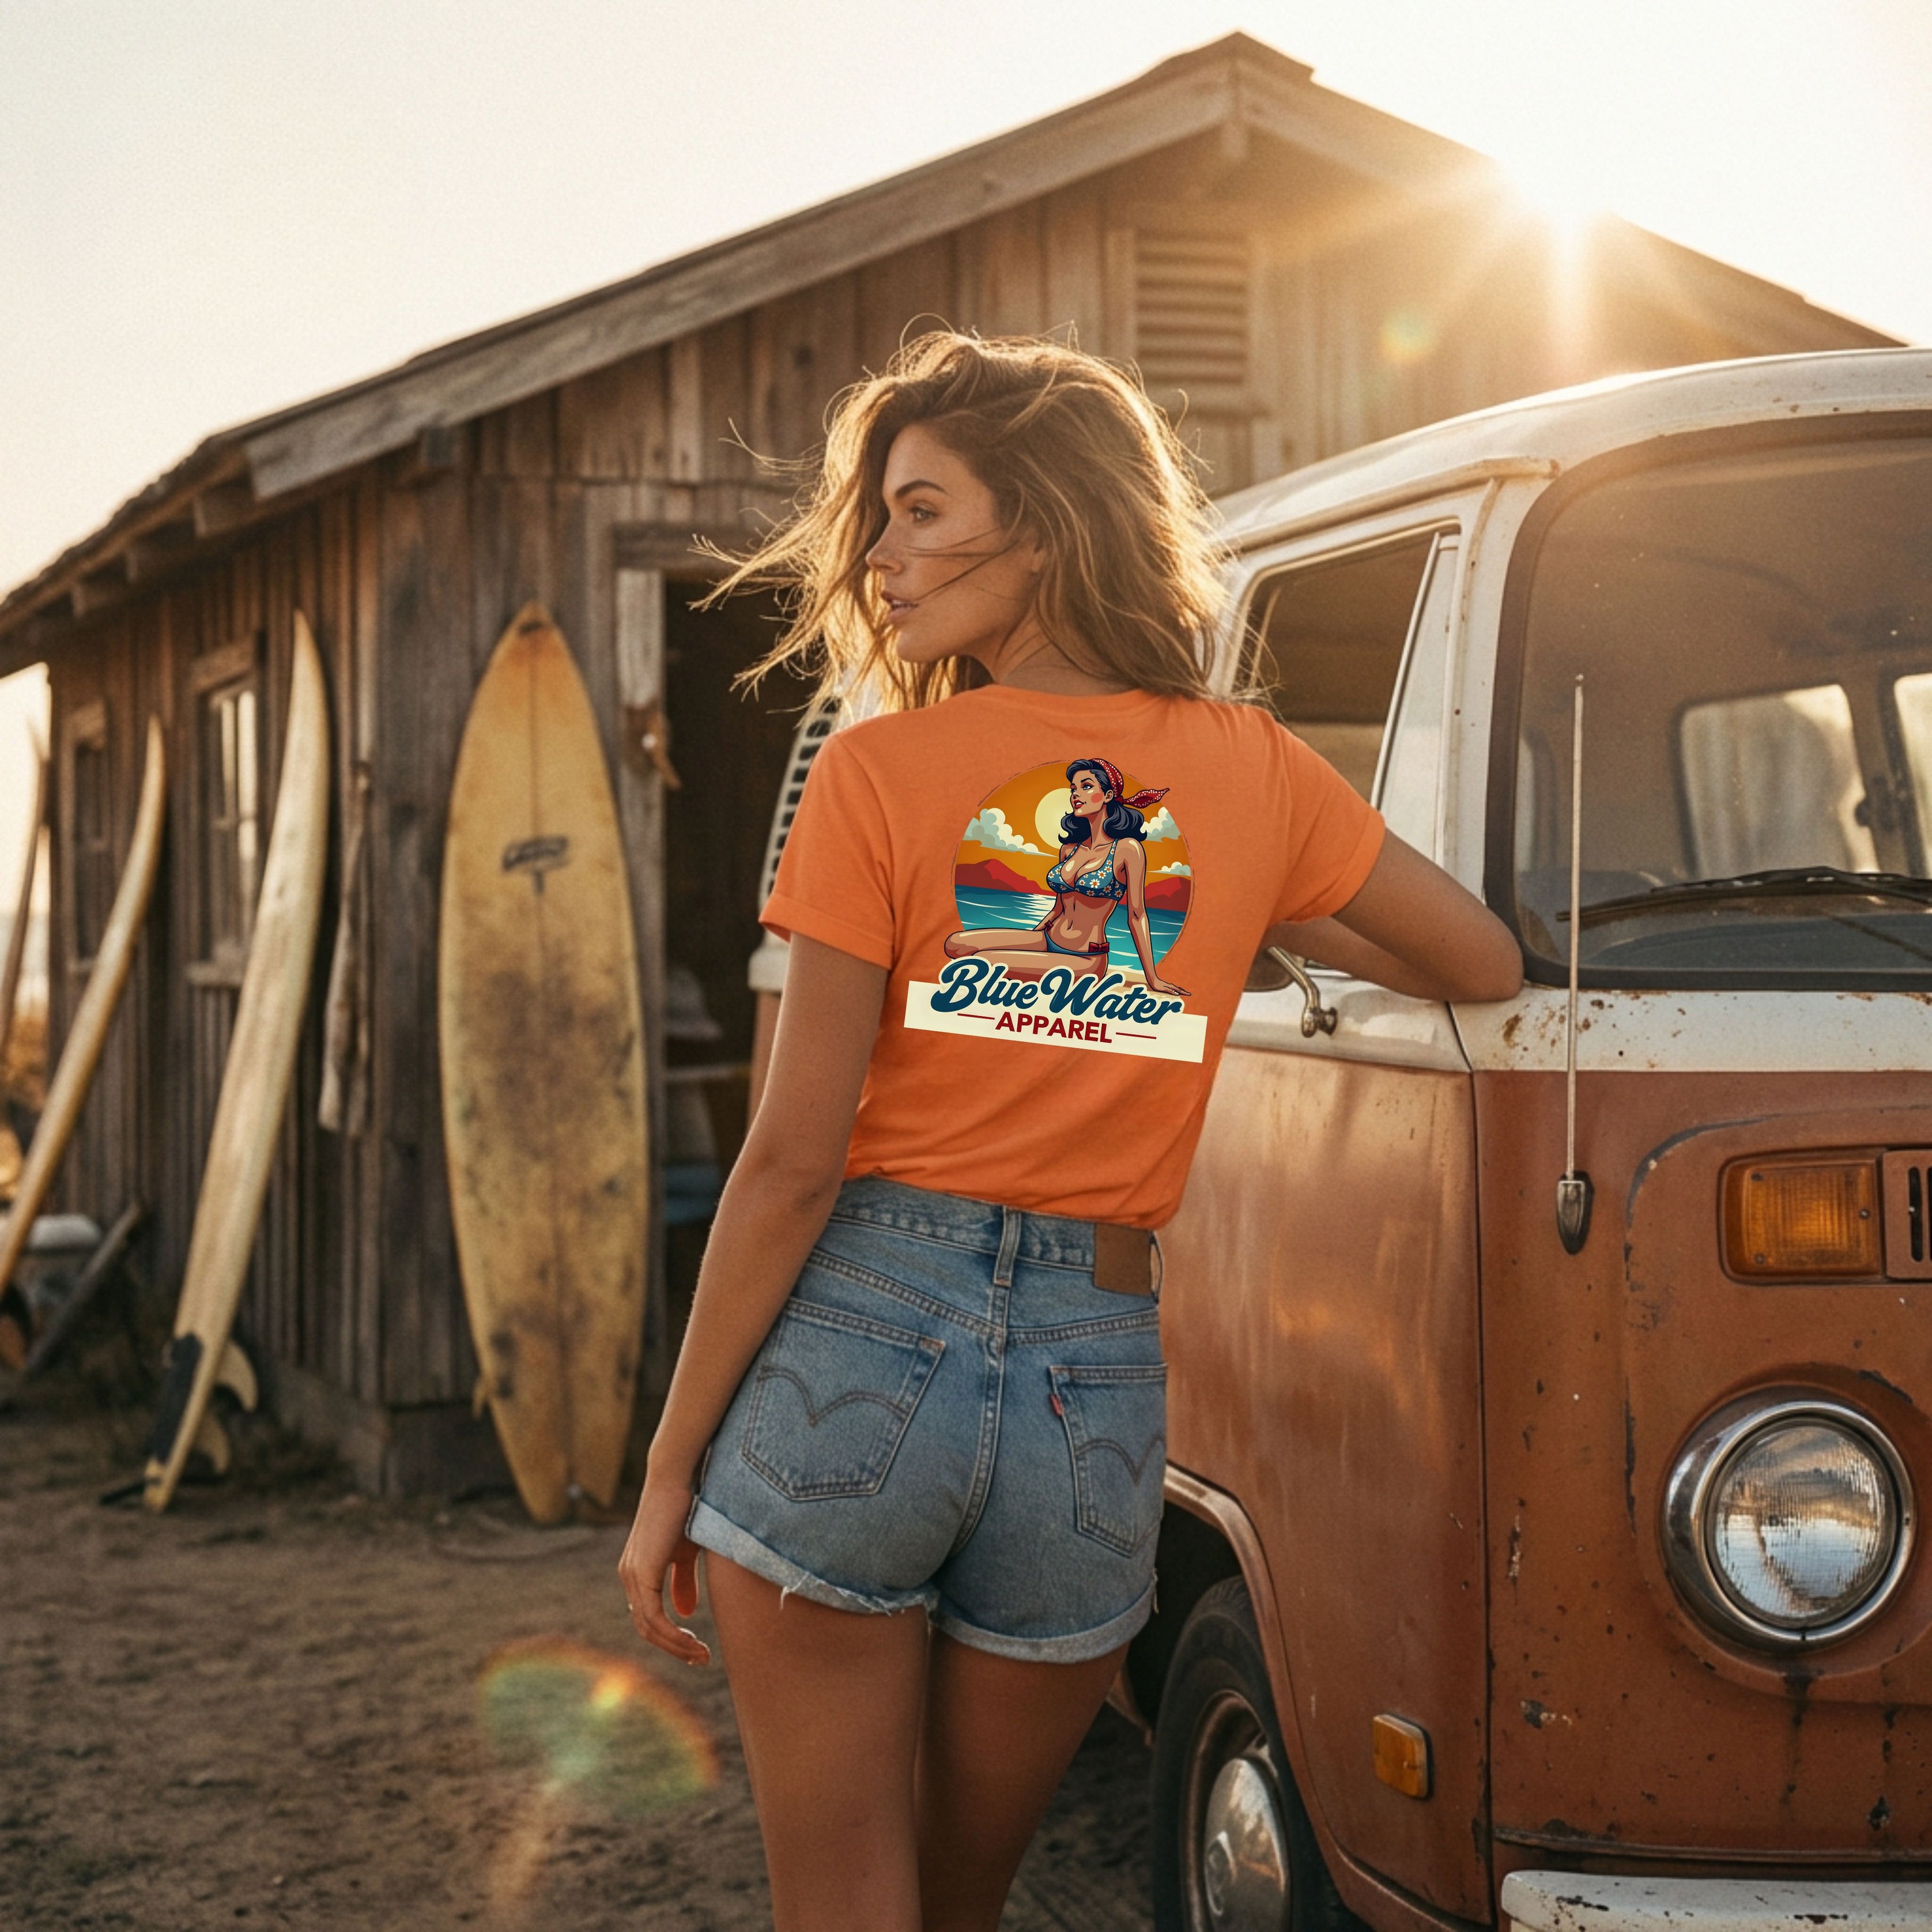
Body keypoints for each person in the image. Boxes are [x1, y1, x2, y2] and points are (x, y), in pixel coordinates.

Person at [618, 331, 1521, 1932]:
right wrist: (1246, 911)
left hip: (857, 1346)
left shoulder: (881, 773)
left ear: (1037, 523)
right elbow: (1479, 960)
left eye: (918, 513)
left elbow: (790, 1160)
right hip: (1091, 1395)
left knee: (845, 1905)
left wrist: (671, 1465)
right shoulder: (1251, 772)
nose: (882, 565)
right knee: (963, 1905)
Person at [943, 756, 1186, 994]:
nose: (1075, 795)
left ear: (1108, 796)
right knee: (956, 945)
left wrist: (1152, 977)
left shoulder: (1127, 849)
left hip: (1085, 957)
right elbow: (1058, 909)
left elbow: (1137, 915)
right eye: (1073, 789)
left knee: (982, 962)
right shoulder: (1069, 849)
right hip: (1047, 938)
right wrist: (1029, 943)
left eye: (1086, 786)